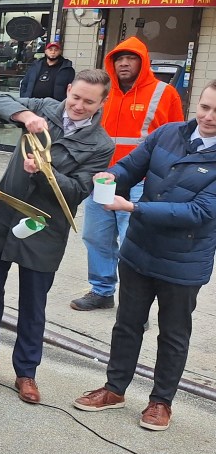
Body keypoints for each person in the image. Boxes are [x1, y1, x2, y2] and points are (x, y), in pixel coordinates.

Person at [0, 69, 115, 403]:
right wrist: (26, 115)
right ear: (68, 90)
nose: (79, 106)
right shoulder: (45, 107)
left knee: (33, 306)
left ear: (102, 102)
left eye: (89, 101)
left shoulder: (102, 145)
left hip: (45, 229)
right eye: (75, 97)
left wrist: (44, 171)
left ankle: (26, 373)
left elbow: (76, 191)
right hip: (4, 218)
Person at [73, 81, 216, 431]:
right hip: (139, 251)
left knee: (173, 333)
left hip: (183, 261)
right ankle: (114, 389)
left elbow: (198, 212)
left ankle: (160, 402)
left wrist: (134, 206)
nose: (209, 117)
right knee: (127, 324)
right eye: (205, 107)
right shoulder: (168, 132)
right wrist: (112, 175)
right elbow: (131, 166)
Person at [71, 37, 183, 311]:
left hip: (140, 182)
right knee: (96, 237)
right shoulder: (102, 95)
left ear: (143, 62)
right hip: (100, 178)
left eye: (131, 58)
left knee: (132, 242)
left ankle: (134, 304)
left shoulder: (164, 93)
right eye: (119, 58)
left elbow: (176, 139)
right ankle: (102, 290)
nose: (123, 63)